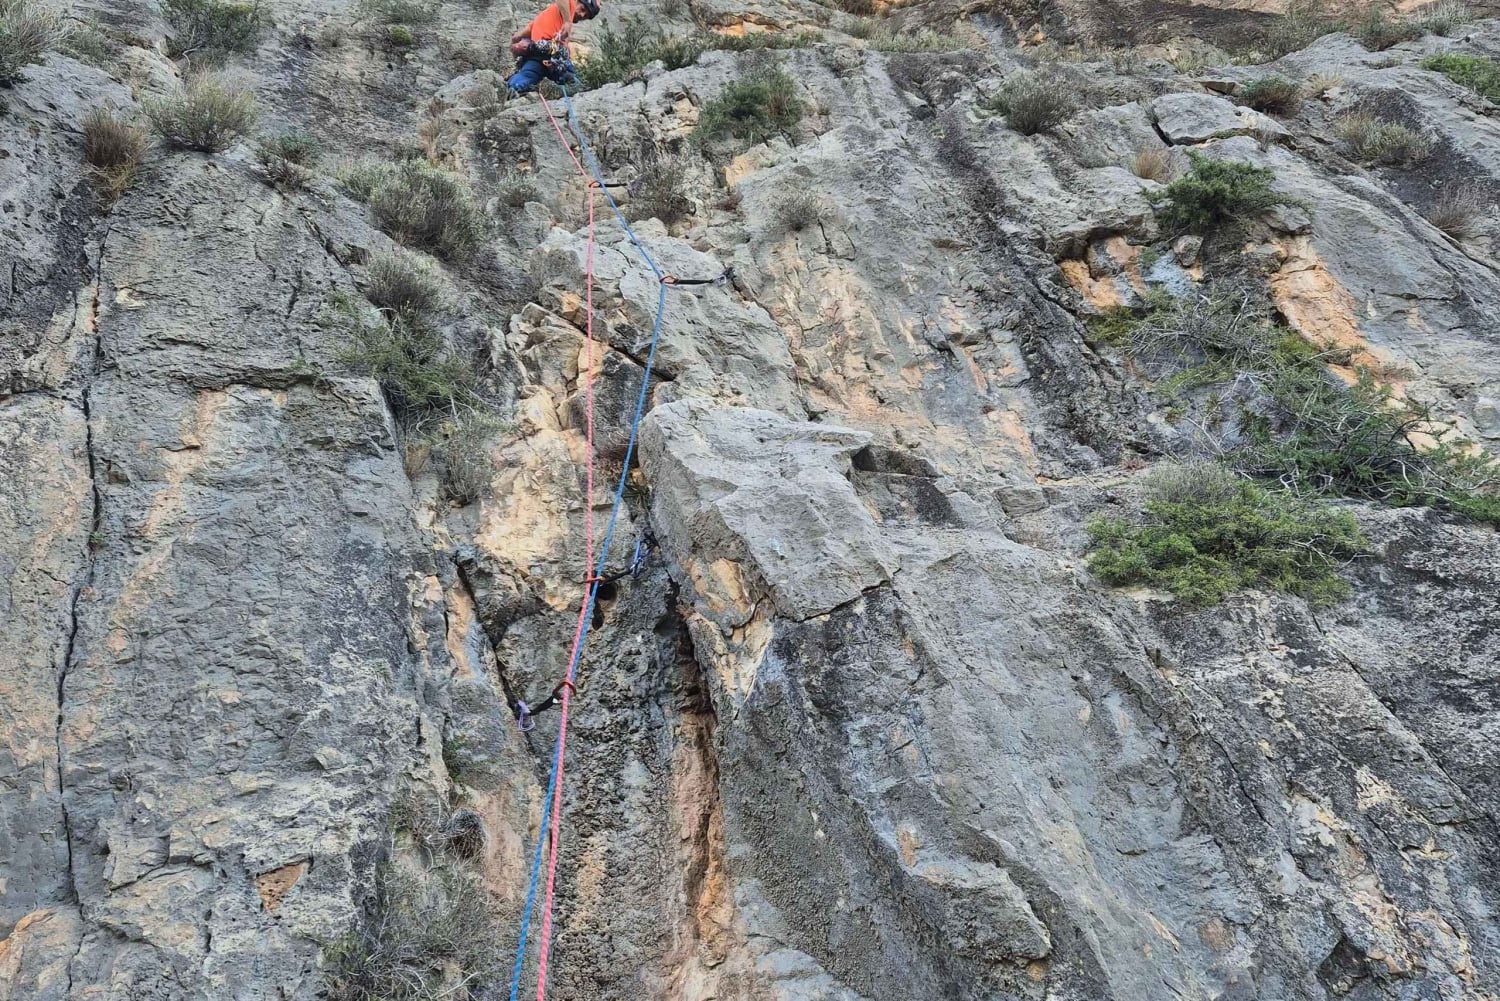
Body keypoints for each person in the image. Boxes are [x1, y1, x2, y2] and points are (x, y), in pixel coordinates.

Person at [506, 0, 600, 96]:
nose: (582, 15)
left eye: (585, 16)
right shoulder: (570, 6)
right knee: (573, 83)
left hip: (536, 54)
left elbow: (524, 33)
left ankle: (513, 87)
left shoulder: (546, 16)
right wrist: (567, 22)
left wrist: (516, 39)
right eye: (582, 9)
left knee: (527, 75)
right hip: (553, 54)